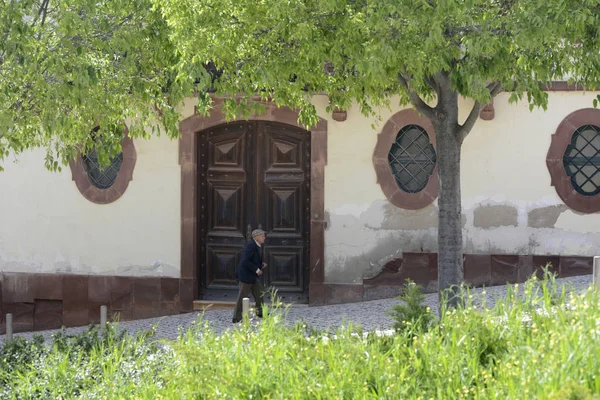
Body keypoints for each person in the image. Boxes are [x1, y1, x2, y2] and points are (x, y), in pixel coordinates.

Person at [232, 228, 268, 323]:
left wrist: (260, 265)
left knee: (259, 293)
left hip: (252, 276)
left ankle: (260, 312)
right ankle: (236, 317)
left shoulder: (257, 246)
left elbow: (253, 260)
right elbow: (245, 261)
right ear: (256, 237)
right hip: (246, 276)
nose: (264, 238)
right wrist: (257, 270)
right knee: (242, 296)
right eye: (262, 236)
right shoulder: (250, 246)